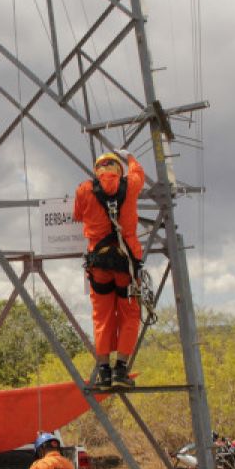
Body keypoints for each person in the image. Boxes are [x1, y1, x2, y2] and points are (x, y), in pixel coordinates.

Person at [73, 149, 145, 389]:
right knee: (129, 313)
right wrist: (131, 157)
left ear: (97, 170)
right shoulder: (131, 184)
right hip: (126, 263)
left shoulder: (84, 189)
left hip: (100, 263)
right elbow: (139, 173)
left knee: (102, 316)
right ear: (118, 169)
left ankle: (104, 371)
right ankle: (120, 370)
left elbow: (77, 215)